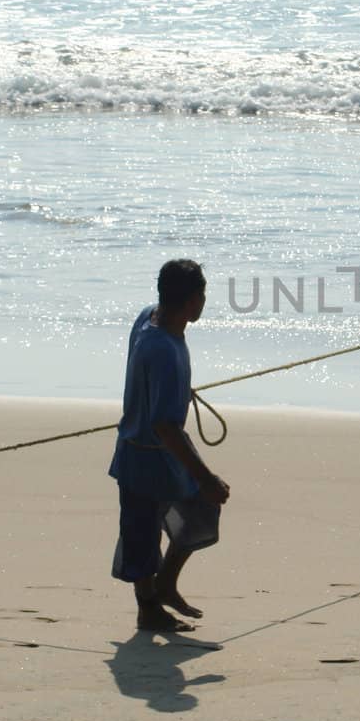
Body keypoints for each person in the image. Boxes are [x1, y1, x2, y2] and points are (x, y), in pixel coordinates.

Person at [109, 258, 231, 633]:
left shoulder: (152, 316)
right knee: (141, 537)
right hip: (144, 454)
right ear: (193, 302)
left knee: (199, 512)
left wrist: (176, 391)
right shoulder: (161, 348)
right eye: (203, 295)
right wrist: (206, 475)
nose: (205, 301)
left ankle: (165, 585)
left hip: (163, 452)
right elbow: (164, 426)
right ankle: (149, 611)